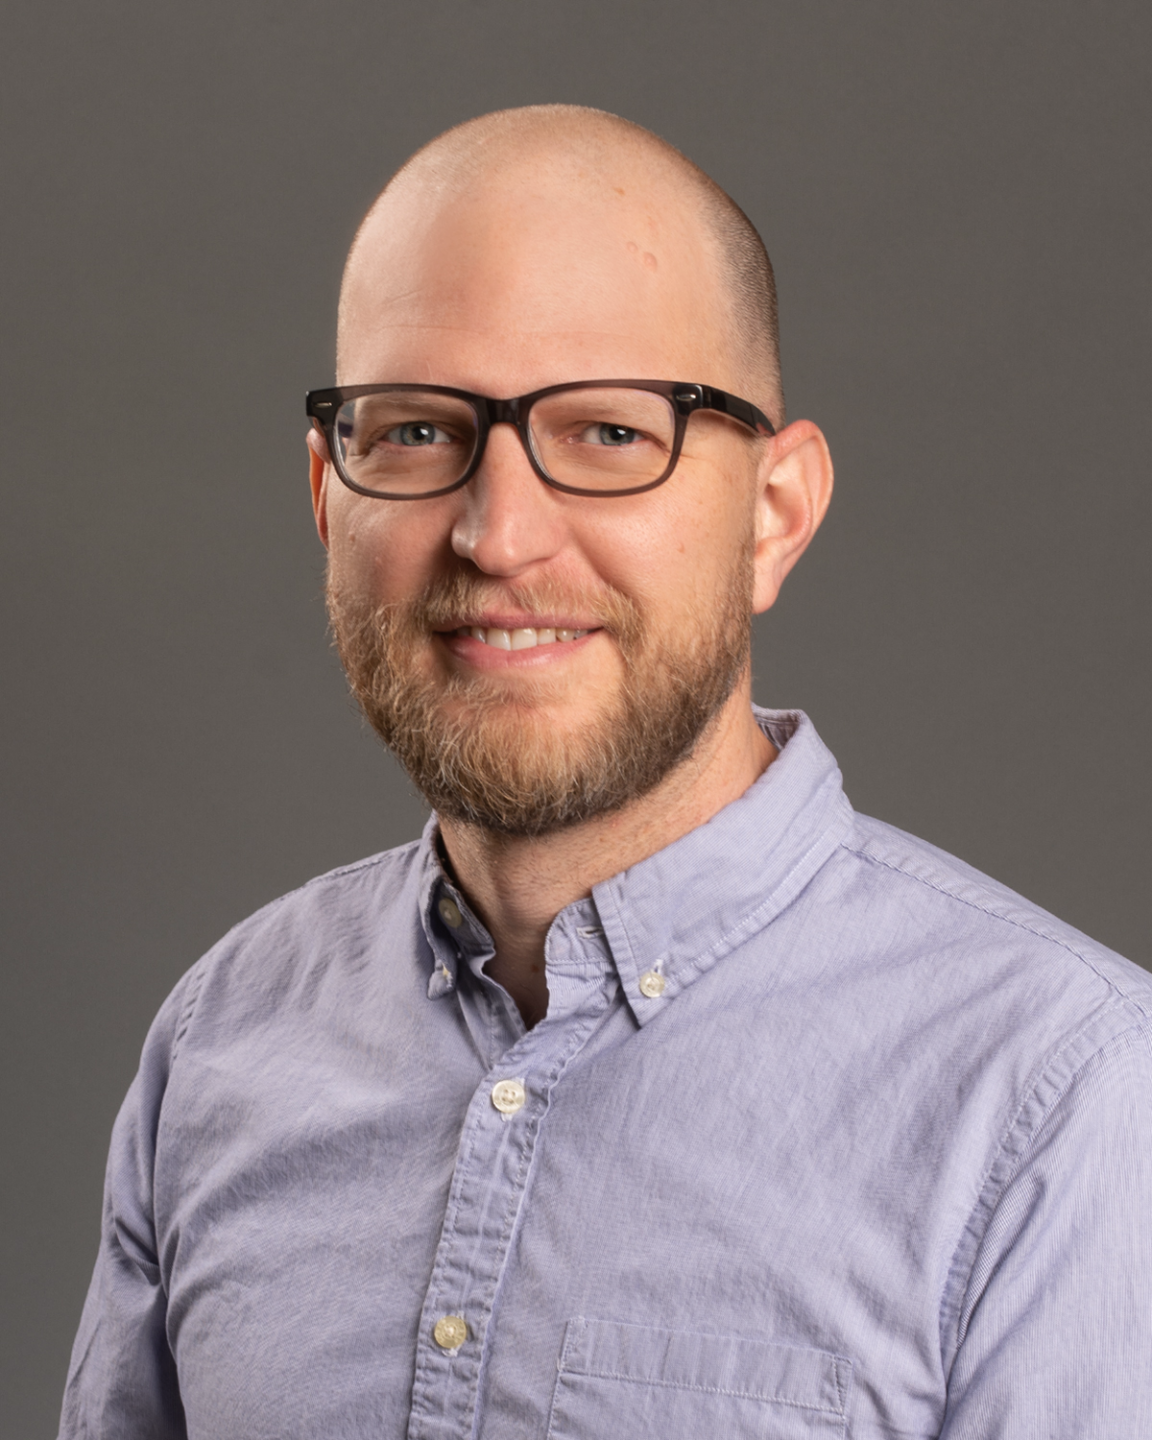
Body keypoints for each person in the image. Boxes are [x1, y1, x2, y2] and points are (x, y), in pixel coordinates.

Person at [60, 105, 1152, 1439]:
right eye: (415, 431)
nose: (499, 535)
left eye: (611, 434)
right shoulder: (220, 1043)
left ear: (776, 514)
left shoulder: (1067, 1101)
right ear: (325, 496)